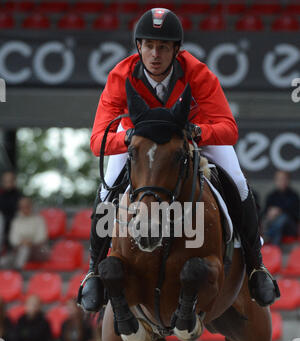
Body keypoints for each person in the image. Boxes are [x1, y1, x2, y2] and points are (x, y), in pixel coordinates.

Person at [79, 7, 279, 313]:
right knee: (107, 190)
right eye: (148, 46)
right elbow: (98, 142)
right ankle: (94, 270)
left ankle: (256, 266)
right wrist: (129, 139)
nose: (155, 54)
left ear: (176, 50)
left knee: (238, 182)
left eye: (162, 47)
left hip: (188, 137)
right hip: (139, 142)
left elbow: (229, 129)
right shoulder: (120, 76)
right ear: (139, 47)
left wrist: (198, 132)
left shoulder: (198, 73)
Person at [0, 196, 49, 269]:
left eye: (27, 206)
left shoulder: (39, 220)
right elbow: (13, 239)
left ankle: (18, 270)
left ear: (31, 206)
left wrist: (28, 242)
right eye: (22, 207)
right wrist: (22, 242)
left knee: (24, 249)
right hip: (20, 249)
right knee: (7, 258)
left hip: (38, 250)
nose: (24, 209)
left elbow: (42, 237)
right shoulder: (16, 221)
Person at [263, 170, 300, 245]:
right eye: (279, 179)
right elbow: (263, 212)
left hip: (290, 228)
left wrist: (279, 211)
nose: (281, 181)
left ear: (288, 180)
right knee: (274, 224)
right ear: (275, 181)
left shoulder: (294, 196)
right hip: (274, 224)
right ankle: (274, 246)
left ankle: (268, 235)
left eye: (284, 179)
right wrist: (269, 213)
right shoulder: (271, 196)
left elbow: (296, 215)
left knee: (283, 218)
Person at [0, 171, 22, 251]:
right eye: (5, 181)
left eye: (10, 181)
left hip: (15, 224)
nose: (8, 183)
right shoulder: (1, 193)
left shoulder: (18, 195)